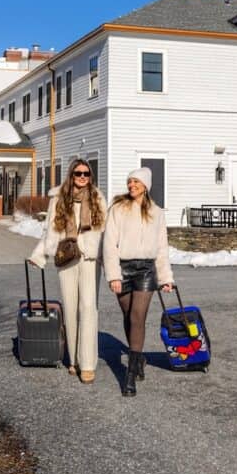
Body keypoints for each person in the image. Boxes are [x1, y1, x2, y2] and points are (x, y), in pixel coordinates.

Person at [30, 159, 106, 383]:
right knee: (71, 308)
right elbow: (51, 230)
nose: (82, 177)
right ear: (71, 175)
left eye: (86, 173)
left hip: (90, 258)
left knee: (88, 308)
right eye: (78, 173)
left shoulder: (98, 197)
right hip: (66, 257)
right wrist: (39, 255)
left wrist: (108, 259)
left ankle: (88, 363)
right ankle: (74, 359)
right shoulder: (59, 199)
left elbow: (105, 230)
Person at [103, 167, 174, 397]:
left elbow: (162, 247)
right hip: (123, 268)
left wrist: (165, 277)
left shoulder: (157, 212)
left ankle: (130, 374)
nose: (131, 185)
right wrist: (113, 275)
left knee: (137, 316)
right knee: (128, 316)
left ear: (146, 185)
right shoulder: (118, 208)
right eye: (129, 181)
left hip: (146, 269)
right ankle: (139, 358)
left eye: (136, 182)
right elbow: (109, 243)